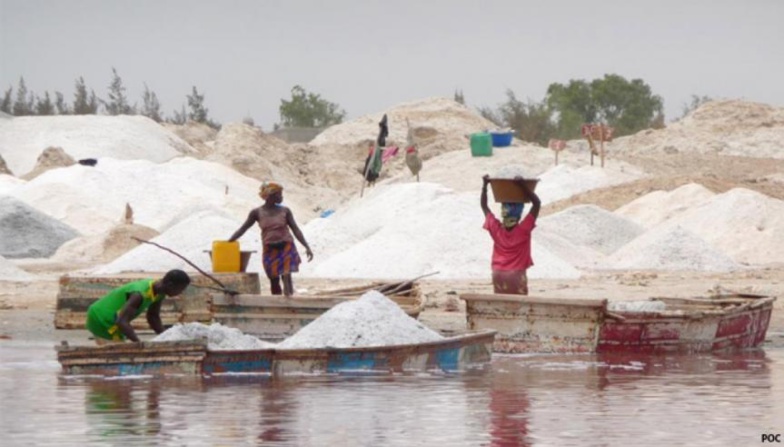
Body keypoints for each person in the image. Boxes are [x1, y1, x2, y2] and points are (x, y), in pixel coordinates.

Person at [229, 181, 313, 296]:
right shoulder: (256, 212)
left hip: (286, 246)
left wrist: (306, 246)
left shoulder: (285, 211)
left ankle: (289, 299)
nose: (281, 197)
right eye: (279, 194)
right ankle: (277, 301)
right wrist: (229, 241)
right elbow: (243, 228)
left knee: (286, 275)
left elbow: (295, 229)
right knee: (273, 279)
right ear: (270, 195)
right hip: (269, 248)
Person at [85, 269, 191, 344]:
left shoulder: (159, 292)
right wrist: (139, 344)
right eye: (180, 289)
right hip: (101, 319)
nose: (181, 292)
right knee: (119, 354)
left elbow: (153, 317)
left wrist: (166, 338)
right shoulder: (139, 294)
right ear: (170, 285)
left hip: (111, 318)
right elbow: (122, 321)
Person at [480, 174, 541, 295]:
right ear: (518, 214)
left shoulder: (496, 229)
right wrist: (522, 185)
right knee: (519, 304)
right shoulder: (523, 229)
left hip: (498, 273)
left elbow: (484, 206)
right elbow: (537, 203)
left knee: (501, 303)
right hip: (516, 274)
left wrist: (485, 185)